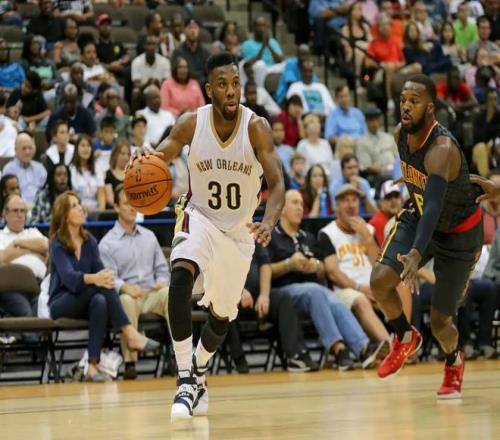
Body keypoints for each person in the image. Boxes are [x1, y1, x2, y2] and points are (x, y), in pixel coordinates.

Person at [132, 52, 285, 420]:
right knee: (180, 276)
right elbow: (162, 154)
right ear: (209, 89)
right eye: (222, 84)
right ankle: (185, 378)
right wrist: (145, 157)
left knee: (221, 317)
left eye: (235, 83)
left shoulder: (256, 127)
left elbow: (278, 184)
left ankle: (200, 370)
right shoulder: (191, 123)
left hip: (239, 231)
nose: (231, 90)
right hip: (198, 216)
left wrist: (269, 221)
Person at [370, 75, 484, 399]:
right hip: (420, 217)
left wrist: (417, 252)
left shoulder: (442, 149)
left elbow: (434, 206)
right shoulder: (400, 135)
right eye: (403, 100)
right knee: (380, 281)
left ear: (430, 108)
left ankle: (453, 360)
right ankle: (405, 338)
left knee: (440, 322)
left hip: (459, 235)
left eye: (414, 101)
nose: (406, 106)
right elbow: (424, 200)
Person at [263, 189, 385, 370]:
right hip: (283, 292)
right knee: (317, 292)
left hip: (314, 291)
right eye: (295, 203)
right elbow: (264, 270)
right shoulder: (271, 236)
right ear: (281, 208)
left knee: (335, 301)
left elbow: (323, 269)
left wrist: (317, 267)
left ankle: (364, 349)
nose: (300, 208)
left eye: (302, 204)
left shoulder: (308, 237)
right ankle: (338, 350)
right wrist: (289, 264)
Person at [48, 191, 159, 382]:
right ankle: (130, 333)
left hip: (87, 298)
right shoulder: (57, 243)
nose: (81, 208)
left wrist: (104, 277)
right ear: (65, 215)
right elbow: (70, 280)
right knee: (99, 288)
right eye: (74, 206)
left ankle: (92, 366)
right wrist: (96, 278)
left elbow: (101, 272)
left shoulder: (89, 241)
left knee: (100, 300)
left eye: (79, 204)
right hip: (61, 302)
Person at [99, 185, 170, 380]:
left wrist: (162, 281)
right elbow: (108, 277)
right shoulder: (107, 243)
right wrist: (124, 287)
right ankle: (130, 363)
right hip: (130, 296)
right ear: (116, 207)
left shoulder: (149, 236)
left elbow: (162, 270)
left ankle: (181, 357)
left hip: (152, 293)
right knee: (125, 301)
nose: (132, 207)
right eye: (126, 203)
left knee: (170, 294)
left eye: (134, 203)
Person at [319, 184, 391, 344]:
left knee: (401, 290)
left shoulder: (368, 230)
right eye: (346, 200)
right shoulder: (327, 233)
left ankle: (407, 344)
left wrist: (368, 239)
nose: (351, 205)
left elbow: (380, 266)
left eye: (354, 200)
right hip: (346, 290)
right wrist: (360, 288)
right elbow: (332, 272)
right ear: (337, 206)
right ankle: (390, 347)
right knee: (361, 300)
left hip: (373, 287)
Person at [0, 194, 48, 342]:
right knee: (27, 315)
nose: (20, 215)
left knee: (43, 315)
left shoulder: (32, 232)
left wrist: (17, 244)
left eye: (23, 211)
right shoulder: (1, 236)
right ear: (5, 214)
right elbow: (2, 258)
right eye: (15, 211)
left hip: (39, 286)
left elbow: (46, 246)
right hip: (11, 288)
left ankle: (32, 345)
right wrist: (32, 251)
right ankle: (36, 349)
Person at [3, 132, 47, 206]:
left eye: (30, 148)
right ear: (16, 150)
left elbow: (45, 191)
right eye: (24, 148)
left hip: (39, 207)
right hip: (18, 208)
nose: (27, 152)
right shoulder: (9, 170)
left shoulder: (40, 168)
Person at [356, 106, 398, 183]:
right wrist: (386, 170)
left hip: (395, 171)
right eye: (371, 120)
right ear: (366, 121)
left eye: (376, 119)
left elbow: (398, 158)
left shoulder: (388, 137)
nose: (374, 123)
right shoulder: (362, 142)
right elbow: (367, 167)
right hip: (378, 177)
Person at [69, 135, 105, 212]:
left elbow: (101, 194)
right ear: (76, 149)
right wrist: (81, 207)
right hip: (77, 208)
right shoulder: (71, 169)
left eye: (88, 146)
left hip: (95, 211)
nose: (86, 149)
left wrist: (100, 211)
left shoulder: (97, 167)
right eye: (82, 145)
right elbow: (72, 194)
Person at [369, 180, 402, 247]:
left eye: (396, 196)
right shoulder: (376, 223)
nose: (393, 200)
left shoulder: (405, 217)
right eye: (388, 197)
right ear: (381, 202)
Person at [104, 139, 130, 208]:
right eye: (122, 154)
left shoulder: (132, 173)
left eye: (128, 154)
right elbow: (110, 200)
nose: (126, 157)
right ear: (115, 155)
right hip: (115, 210)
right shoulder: (109, 174)